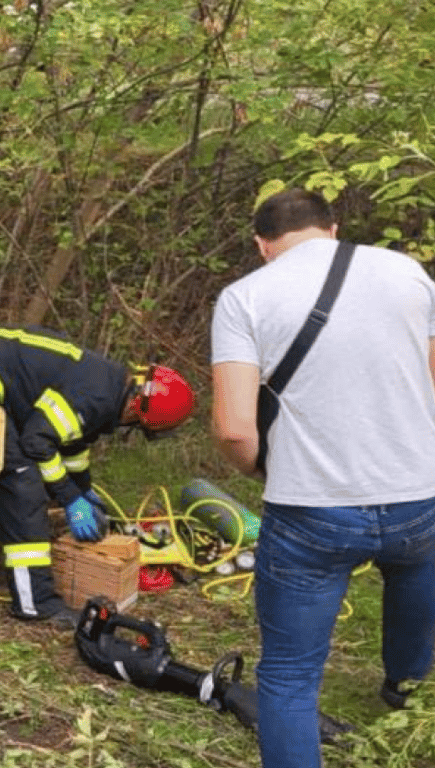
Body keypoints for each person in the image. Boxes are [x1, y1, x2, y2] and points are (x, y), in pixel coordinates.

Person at [211, 187, 435, 768]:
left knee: (288, 675)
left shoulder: (243, 298)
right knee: (413, 575)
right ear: (332, 228)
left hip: (312, 508)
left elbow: (235, 428)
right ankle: (406, 689)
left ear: (263, 245)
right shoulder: (408, 274)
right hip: (418, 494)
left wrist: (261, 469)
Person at [0, 325, 195, 625]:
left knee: (19, 471)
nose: (132, 428)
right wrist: (71, 499)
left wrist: (84, 489)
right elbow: (37, 441)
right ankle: (35, 603)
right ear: (135, 409)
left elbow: (71, 442)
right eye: (138, 424)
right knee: (22, 480)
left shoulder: (110, 385)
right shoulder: (97, 398)